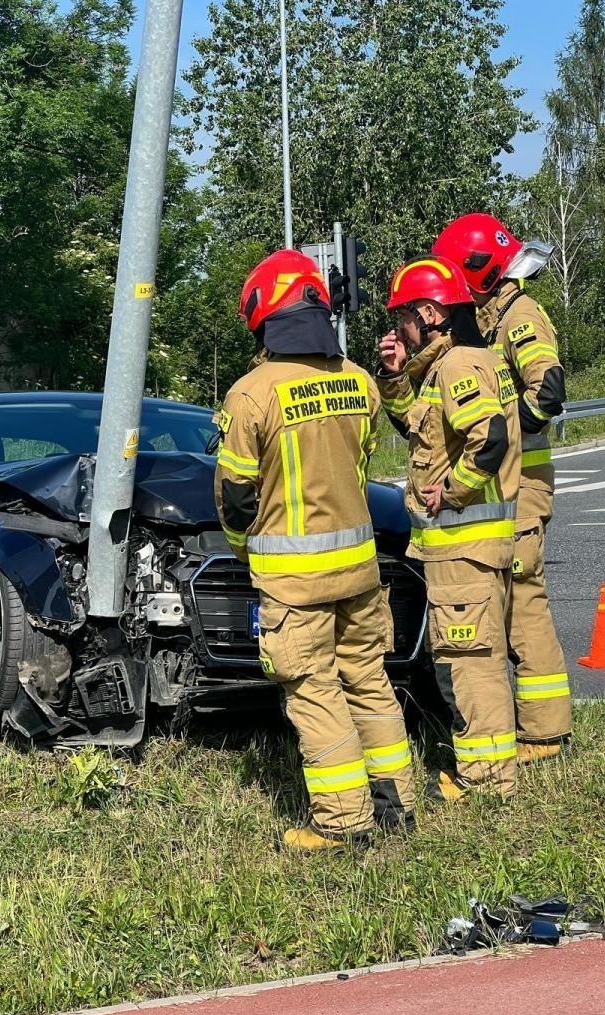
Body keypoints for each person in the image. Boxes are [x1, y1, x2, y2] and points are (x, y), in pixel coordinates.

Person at [214, 249, 416, 850]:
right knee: (368, 681)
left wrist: (243, 552)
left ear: (265, 316)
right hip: (358, 569)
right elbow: (358, 464)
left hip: (294, 582)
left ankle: (345, 821)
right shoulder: (359, 382)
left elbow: (234, 500)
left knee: (315, 690)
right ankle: (397, 805)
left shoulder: (251, 395)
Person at [376, 256, 521, 802]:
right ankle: (485, 772)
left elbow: (492, 438)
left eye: (404, 318)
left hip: (465, 543)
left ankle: (486, 781)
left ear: (432, 312)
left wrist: (451, 490)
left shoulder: (458, 365)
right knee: (471, 658)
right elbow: (422, 427)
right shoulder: (455, 364)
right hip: (466, 548)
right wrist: (393, 378)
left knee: (469, 664)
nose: (399, 330)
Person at [432, 214, 571, 761]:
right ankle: (541, 727)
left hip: (524, 488)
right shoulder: (494, 318)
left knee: (524, 607)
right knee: (518, 605)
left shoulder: (518, 316)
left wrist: (510, 433)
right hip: (513, 487)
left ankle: (542, 733)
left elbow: (548, 387)